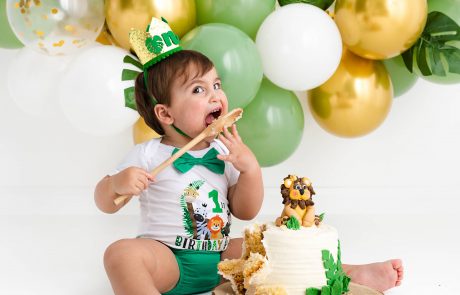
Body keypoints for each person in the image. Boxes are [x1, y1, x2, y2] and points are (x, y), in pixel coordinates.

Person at [94, 17, 403, 295]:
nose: (216, 95)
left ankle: (351, 273)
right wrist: (118, 184)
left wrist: (250, 171)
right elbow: (104, 201)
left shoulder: (224, 152)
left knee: (272, 244)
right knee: (121, 254)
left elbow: (245, 211)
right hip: (168, 259)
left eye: (216, 84)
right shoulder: (148, 154)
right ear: (165, 113)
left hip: (220, 259)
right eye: (198, 90)